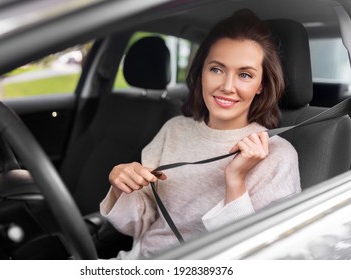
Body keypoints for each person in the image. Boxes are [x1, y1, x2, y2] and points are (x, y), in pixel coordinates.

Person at [100, 9, 301, 259]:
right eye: (217, 69)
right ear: (201, 72)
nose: (227, 87)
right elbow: (140, 224)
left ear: (261, 85)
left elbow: (260, 257)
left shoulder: (279, 155)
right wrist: (121, 185)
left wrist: (235, 180)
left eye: (245, 75)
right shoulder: (174, 129)